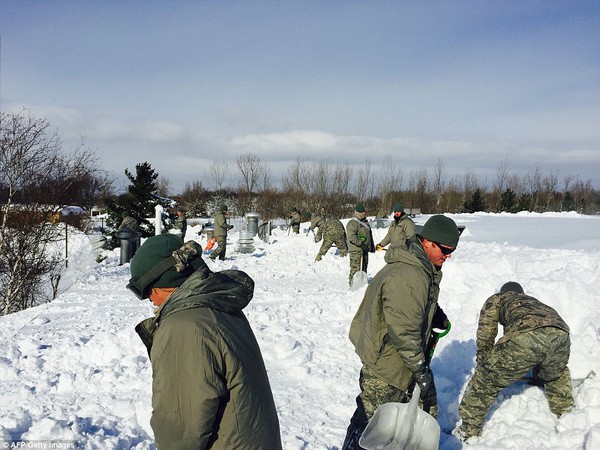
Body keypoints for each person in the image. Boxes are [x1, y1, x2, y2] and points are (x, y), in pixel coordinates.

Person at [128, 234, 283, 449]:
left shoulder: (185, 327)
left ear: (163, 281)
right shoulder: (217, 305)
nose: (149, 299)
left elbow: (181, 427)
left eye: (145, 290)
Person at [342, 214, 460, 450]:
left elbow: (412, 305)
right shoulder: (409, 274)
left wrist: (434, 311)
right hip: (387, 364)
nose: (448, 256)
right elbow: (404, 331)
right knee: (368, 424)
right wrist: (419, 369)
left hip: (396, 356)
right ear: (428, 242)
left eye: (452, 251)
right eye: (445, 249)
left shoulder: (421, 267)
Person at [456, 282, 574, 440]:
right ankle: (567, 416)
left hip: (528, 334)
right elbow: (543, 335)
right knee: (555, 375)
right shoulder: (532, 301)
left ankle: (468, 431)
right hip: (561, 335)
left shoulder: (498, 299)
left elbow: (486, 332)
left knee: (485, 381)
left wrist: (485, 363)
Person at [345, 204, 374, 286]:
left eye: (364, 212)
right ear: (357, 213)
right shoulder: (352, 223)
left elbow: (369, 235)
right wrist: (361, 244)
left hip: (364, 250)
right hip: (356, 251)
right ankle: (352, 285)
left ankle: (362, 286)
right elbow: (351, 237)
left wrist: (371, 247)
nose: (364, 213)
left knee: (364, 269)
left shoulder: (365, 223)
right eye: (362, 212)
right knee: (355, 269)